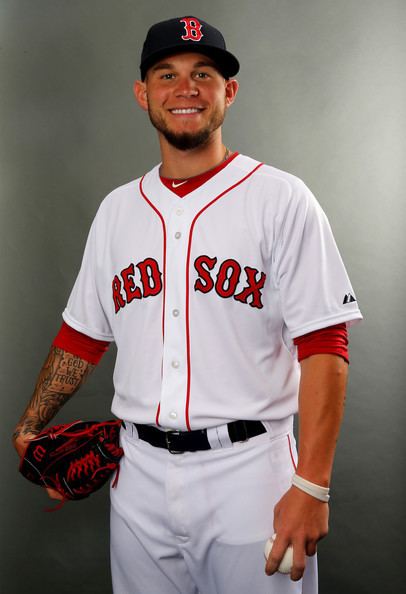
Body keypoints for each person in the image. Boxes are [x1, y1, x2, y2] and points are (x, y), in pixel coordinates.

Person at [13, 16, 362, 594]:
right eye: (166, 74)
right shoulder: (116, 212)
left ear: (229, 91)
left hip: (251, 475)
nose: (186, 89)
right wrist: (30, 425)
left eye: (204, 73)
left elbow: (325, 343)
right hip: (138, 476)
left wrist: (313, 486)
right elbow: (83, 335)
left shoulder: (281, 199)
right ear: (142, 93)